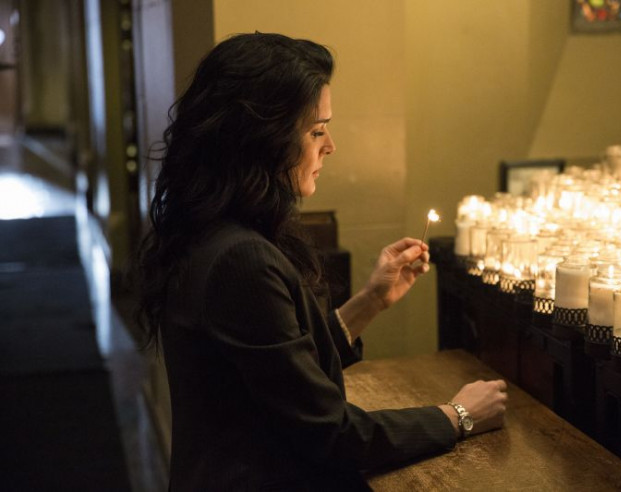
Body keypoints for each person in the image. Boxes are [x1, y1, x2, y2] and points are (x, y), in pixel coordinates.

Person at [136, 32, 507, 491]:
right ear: (261, 139)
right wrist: (459, 415)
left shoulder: (213, 228)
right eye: (316, 131)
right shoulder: (240, 259)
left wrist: (370, 302)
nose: (330, 145)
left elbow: (282, 372)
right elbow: (330, 434)